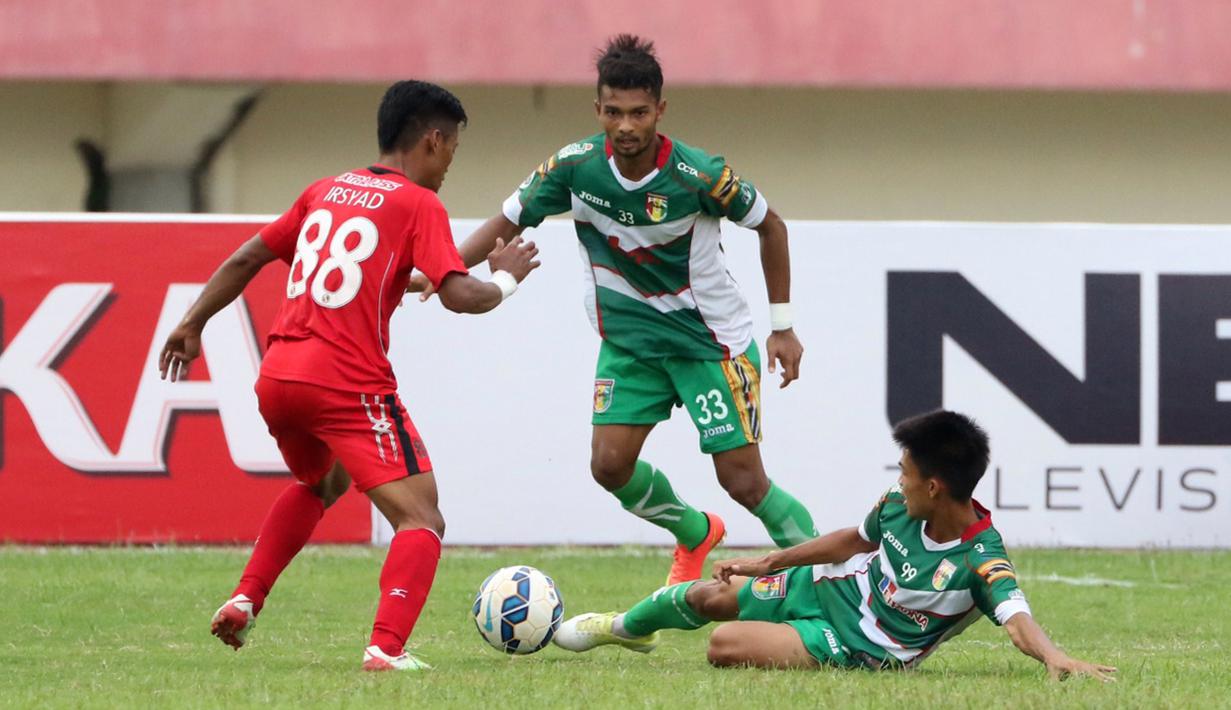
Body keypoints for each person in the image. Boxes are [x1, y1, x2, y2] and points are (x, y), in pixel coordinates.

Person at [158, 80, 539, 672]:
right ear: (432, 140)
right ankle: (386, 648)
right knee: (421, 518)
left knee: (322, 483)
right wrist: (507, 277)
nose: (448, 165)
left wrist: (191, 324)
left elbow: (248, 258)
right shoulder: (418, 203)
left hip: (279, 376)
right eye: (452, 150)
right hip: (344, 381)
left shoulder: (324, 190)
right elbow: (461, 296)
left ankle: (245, 598)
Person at [411, 35, 817, 584]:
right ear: (598, 109)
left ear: (660, 110)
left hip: (709, 345)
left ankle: (833, 582)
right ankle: (695, 531)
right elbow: (505, 222)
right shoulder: (574, 168)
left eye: (639, 112)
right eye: (614, 112)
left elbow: (772, 226)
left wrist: (783, 327)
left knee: (743, 482)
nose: (626, 125)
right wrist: (442, 270)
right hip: (630, 346)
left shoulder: (699, 175)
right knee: (608, 465)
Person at [552, 410, 1117, 682]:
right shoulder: (898, 505)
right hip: (826, 588)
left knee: (723, 645)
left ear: (934, 486)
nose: (898, 481)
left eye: (906, 472)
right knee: (708, 596)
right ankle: (624, 627)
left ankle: (782, 632)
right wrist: (770, 561)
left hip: (853, 644)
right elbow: (854, 538)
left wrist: (1055, 656)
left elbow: (1017, 618)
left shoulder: (980, 557)